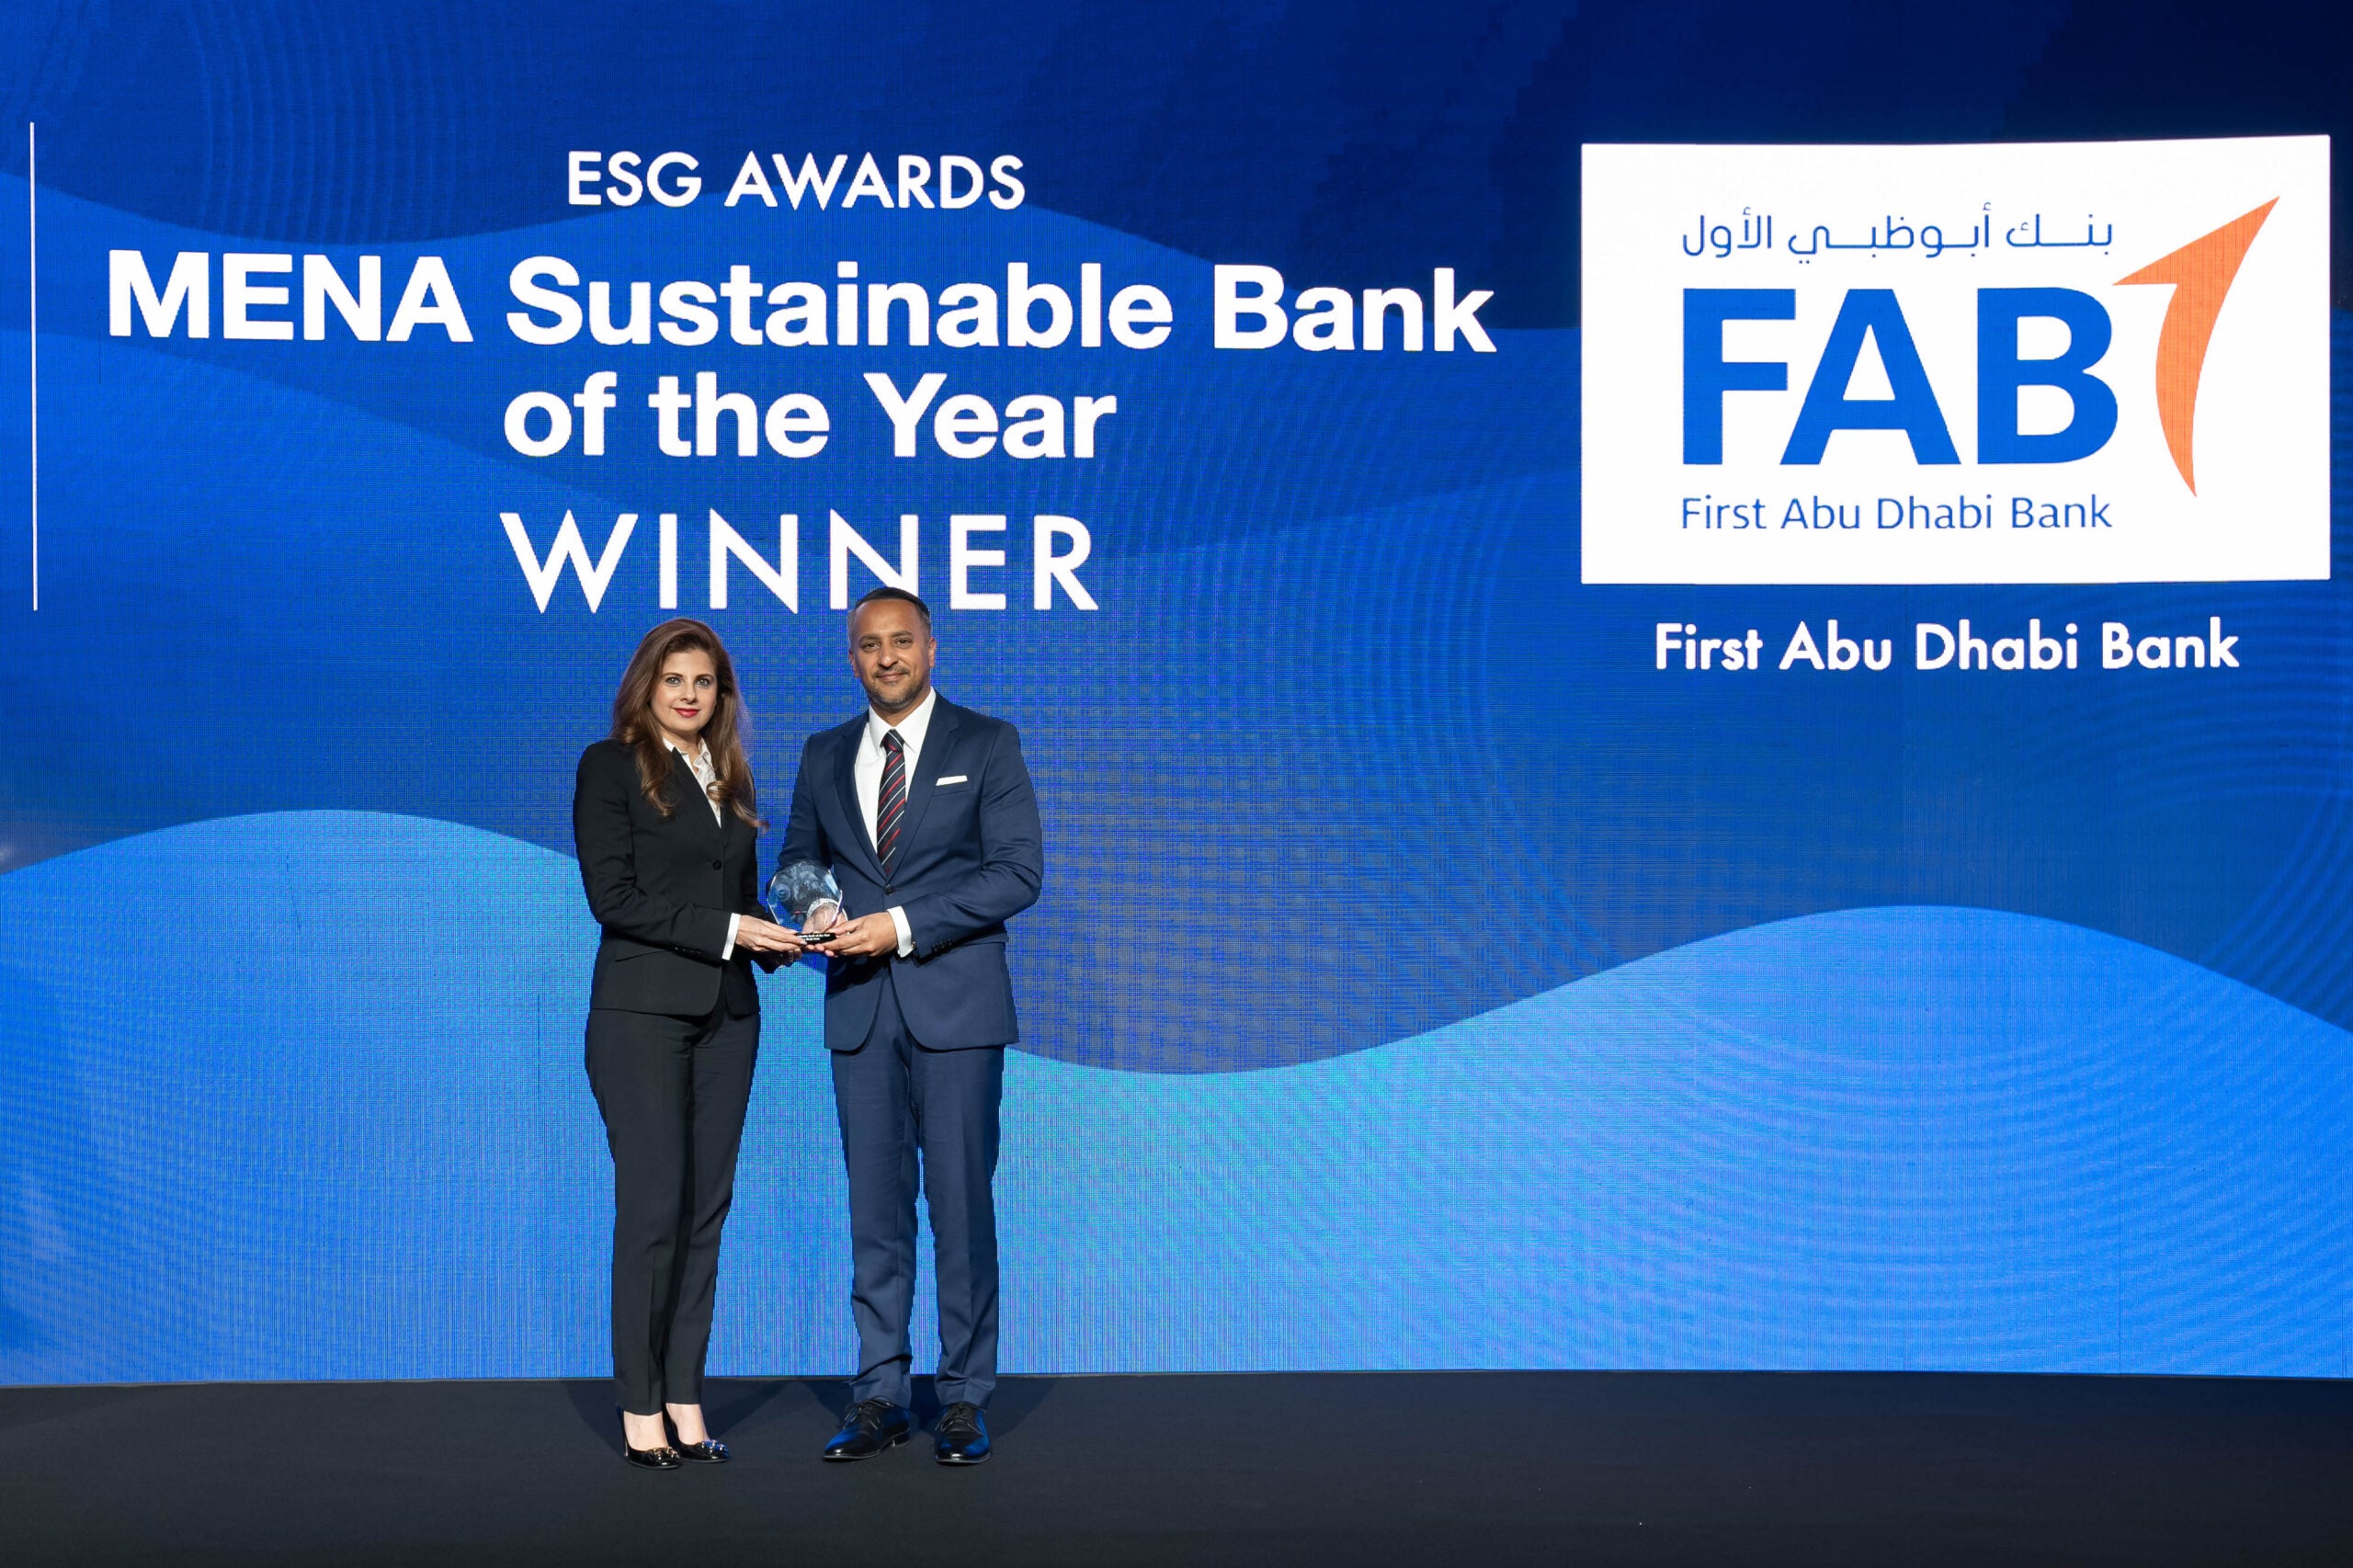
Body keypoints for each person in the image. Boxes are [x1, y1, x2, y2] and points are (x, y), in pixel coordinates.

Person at [780, 585, 1043, 1466]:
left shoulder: (988, 742)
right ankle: (879, 1395)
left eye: (901, 641)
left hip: (957, 1009)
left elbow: (1017, 873)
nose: (886, 657)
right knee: (875, 1213)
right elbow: (796, 860)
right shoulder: (823, 752)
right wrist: (817, 910)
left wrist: (897, 925)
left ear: (932, 649)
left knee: (961, 1207)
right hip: (859, 1009)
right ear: (851, 657)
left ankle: (964, 1398)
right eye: (868, 644)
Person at [574, 618, 805, 1469]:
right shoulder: (610, 766)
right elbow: (614, 898)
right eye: (673, 679)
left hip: (728, 1017)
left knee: (707, 1209)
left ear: (721, 695)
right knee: (654, 1208)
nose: (688, 694)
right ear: (647, 686)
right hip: (641, 1015)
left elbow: (736, 901)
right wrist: (734, 931)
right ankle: (639, 1405)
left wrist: (792, 937)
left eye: (703, 681)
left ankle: (683, 1395)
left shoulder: (730, 778)